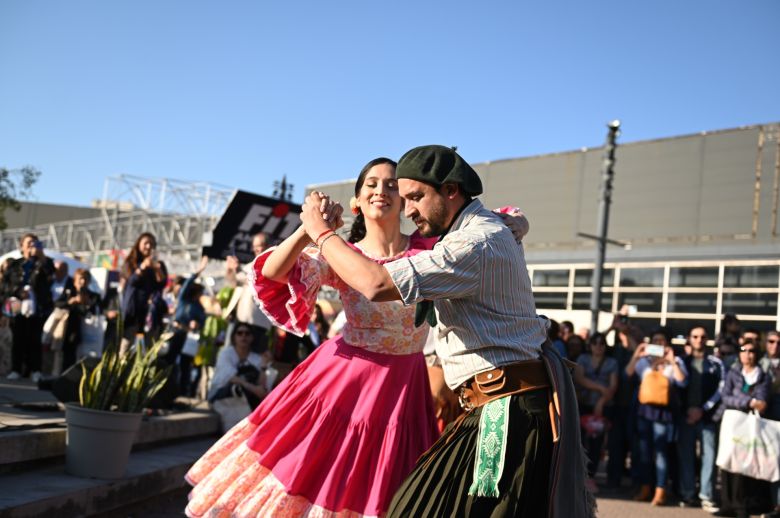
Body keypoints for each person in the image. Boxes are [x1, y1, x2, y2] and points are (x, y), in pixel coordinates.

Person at [294, 146, 591, 518]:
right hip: (492, 403)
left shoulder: (474, 243)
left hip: (505, 409)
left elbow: (374, 282)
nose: (409, 210)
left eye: (416, 197)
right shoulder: (470, 233)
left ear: (451, 191)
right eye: (406, 200)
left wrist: (319, 231)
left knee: (413, 509)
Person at [625, 327, 688, 506]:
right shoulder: (644, 361)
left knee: (661, 453)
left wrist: (672, 361)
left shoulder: (675, 361)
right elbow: (627, 373)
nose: (659, 344)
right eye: (656, 341)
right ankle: (646, 487)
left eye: (662, 341)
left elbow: (683, 382)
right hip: (644, 412)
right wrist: (637, 354)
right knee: (644, 452)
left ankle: (660, 490)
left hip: (664, 413)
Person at [714, 339, 772, 518]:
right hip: (731, 423)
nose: (748, 354)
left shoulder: (762, 376)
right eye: (744, 350)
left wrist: (753, 402)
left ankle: (742, 505)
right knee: (727, 462)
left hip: (749, 426)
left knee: (745, 464)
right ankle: (727, 503)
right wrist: (748, 401)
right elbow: (726, 397)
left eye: (752, 350)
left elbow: (762, 399)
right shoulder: (733, 372)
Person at [677, 324, 724, 512]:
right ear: (689, 338)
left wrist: (702, 410)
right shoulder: (681, 361)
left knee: (709, 456)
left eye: (702, 337)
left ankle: (706, 495)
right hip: (685, 416)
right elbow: (675, 386)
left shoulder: (716, 363)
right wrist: (687, 411)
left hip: (707, 417)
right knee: (686, 456)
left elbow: (721, 389)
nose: (699, 340)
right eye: (695, 336)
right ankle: (688, 493)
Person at [1, 234, 55, 382]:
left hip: (37, 306)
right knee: (17, 337)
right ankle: (16, 369)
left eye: (34, 242)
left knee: (35, 338)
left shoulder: (45, 262)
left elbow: (51, 279)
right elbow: (5, 285)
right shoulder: (15, 264)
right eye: (29, 243)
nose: (32, 245)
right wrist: (18, 292)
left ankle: (35, 369)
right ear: (22, 246)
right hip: (16, 304)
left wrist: (41, 257)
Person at [574, 332, 618, 487]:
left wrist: (601, 401)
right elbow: (579, 378)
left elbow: (613, 387)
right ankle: (579, 475)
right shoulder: (583, 359)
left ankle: (591, 476)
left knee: (596, 442)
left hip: (603, 406)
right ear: (590, 345)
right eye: (595, 343)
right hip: (583, 403)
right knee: (580, 440)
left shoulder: (612, 362)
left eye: (602, 344)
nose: (599, 347)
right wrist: (600, 387)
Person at [207, 322, 268, 433]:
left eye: (247, 333)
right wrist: (253, 388)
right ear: (234, 337)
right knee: (237, 388)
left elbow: (262, 386)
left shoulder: (256, 358)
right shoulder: (225, 353)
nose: (243, 336)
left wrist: (263, 367)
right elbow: (231, 377)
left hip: (248, 396)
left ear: (252, 337)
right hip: (222, 393)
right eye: (239, 333)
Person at [163, 256, 208, 397]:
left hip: (189, 337)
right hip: (176, 332)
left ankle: (183, 393)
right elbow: (188, 283)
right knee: (169, 361)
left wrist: (197, 324)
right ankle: (166, 389)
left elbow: (202, 321)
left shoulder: (198, 307)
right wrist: (198, 271)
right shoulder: (184, 299)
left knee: (185, 366)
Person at [223, 233, 273, 353]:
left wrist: (238, 269)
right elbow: (234, 283)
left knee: (254, 359)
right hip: (240, 320)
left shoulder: (273, 265)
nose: (256, 249)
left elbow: (256, 280)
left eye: (259, 245)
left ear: (268, 246)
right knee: (231, 355)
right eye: (254, 246)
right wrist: (230, 270)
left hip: (257, 323)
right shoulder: (249, 266)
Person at [119, 232, 168, 354]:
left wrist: (156, 268)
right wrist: (143, 267)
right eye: (146, 243)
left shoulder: (158, 265)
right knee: (125, 349)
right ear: (138, 244)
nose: (148, 246)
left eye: (151, 244)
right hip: (132, 313)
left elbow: (162, 283)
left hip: (149, 316)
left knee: (144, 352)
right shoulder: (131, 262)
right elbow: (131, 281)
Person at [55, 268, 102, 371]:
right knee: (68, 356)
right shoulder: (69, 293)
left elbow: (98, 311)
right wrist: (71, 301)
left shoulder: (94, 296)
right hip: (71, 330)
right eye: (81, 279)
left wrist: (88, 304)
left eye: (86, 279)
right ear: (75, 280)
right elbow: (57, 304)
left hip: (88, 332)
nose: (83, 282)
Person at [759, 330, 780, 518]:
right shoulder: (759, 363)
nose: (775, 345)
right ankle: (768, 503)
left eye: (778, 342)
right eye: (771, 341)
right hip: (764, 421)